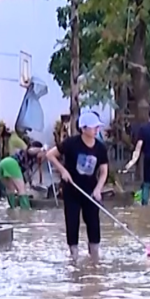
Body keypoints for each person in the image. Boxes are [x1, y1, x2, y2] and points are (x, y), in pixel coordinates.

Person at [46, 111, 109, 259]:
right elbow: (50, 155)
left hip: (91, 191)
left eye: (97, 127)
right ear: (84, 128)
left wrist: (98, 189)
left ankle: (94, 259)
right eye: (94, 127)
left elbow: (104, 171)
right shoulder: (71, 143)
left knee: (93, 224)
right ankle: (73, 258)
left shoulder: (100, 148)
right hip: (72, 190)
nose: (96, 130)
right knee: (72, 222)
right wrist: (63, 171)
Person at [0, 141, 45, 209]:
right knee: (21, 190)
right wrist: (42, 149)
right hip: (12, 163)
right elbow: (30, 150)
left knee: (10, 188)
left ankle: (12, 208)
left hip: (3, 163)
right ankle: (25, 210)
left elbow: (26, 176)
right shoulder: (29, 152)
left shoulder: (31, 159)